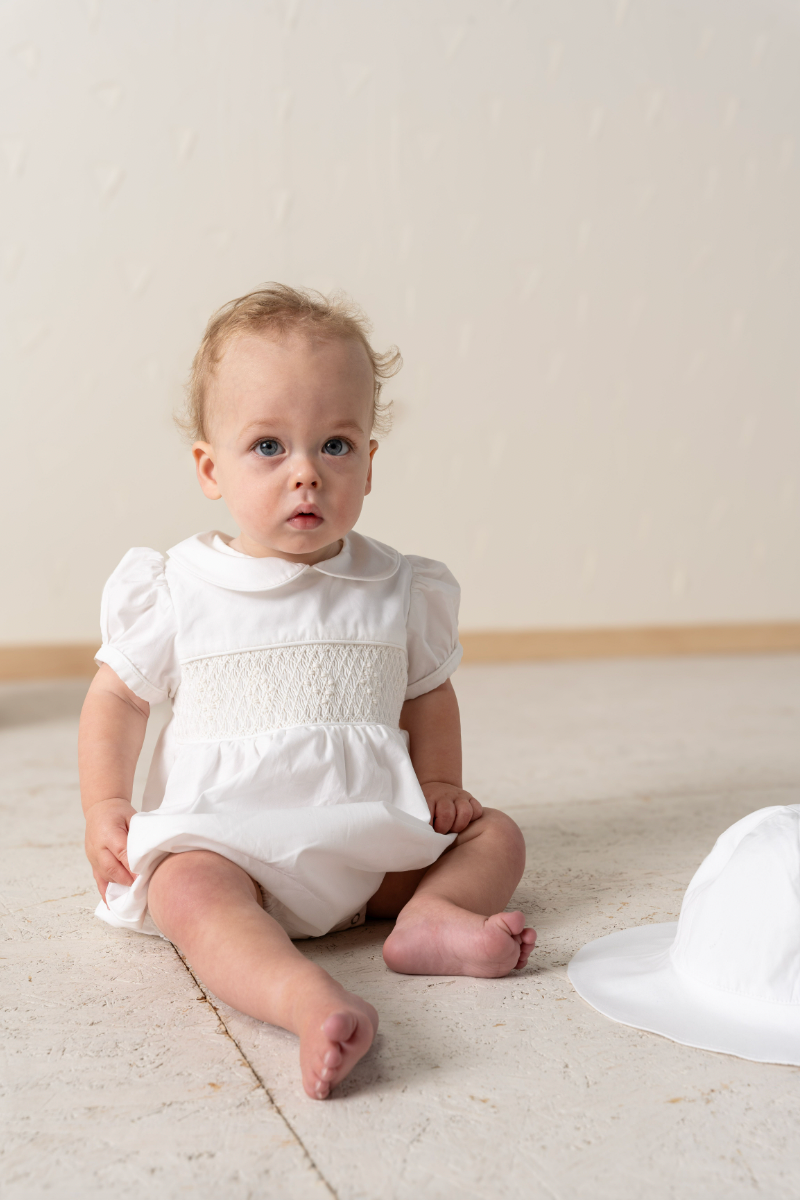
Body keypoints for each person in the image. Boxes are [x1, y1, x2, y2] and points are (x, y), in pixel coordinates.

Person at [79, 284, 535, 1101]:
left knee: (496, 836)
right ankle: (301, 998)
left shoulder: (398, 585)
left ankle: (431, 918)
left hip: (371, 840)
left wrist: (438, 786)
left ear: (369, 460)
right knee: (184, 886)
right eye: (267, 447)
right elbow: (117, 700)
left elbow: (429, 695)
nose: (306, 475)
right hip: (236, 844)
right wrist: (105, 804)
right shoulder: (179, 587)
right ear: (209, 467)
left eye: (335, 445)